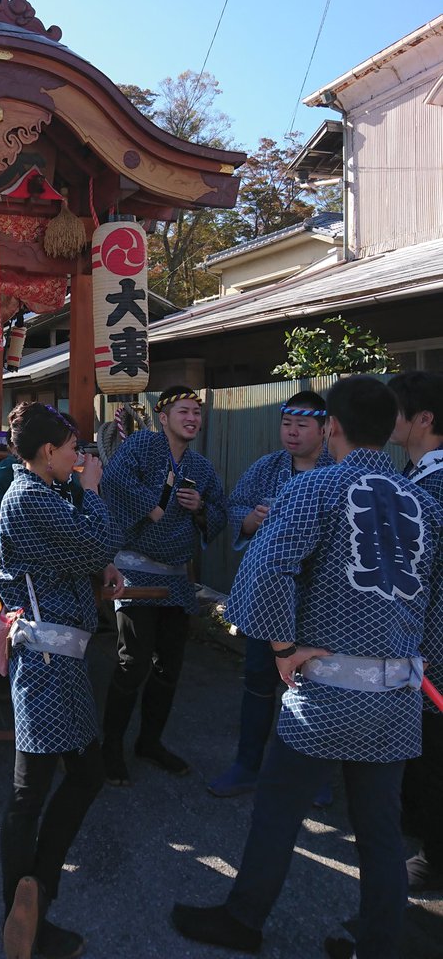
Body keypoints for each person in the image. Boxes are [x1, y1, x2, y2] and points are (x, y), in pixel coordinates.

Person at [172, 376, 443, 959]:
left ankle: (243, 919)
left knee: (277, 810)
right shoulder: (423, 500)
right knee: (380, 831)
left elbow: (267, 571)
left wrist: (279, 649)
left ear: (334, 427)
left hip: (326, 691)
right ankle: (379, 943)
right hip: (397, 693)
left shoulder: (317, 487)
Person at [0, 403, 123, 959]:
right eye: (73, 447)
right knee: (31, 792)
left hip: (56, 659)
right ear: (48, 452)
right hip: (46, 662)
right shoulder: (29, 498)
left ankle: (35, 891)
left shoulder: (41, 493)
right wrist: (93, 492)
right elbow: (97, 544)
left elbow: (80, 553)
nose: (81, 456)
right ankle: (25, 911)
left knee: (79, 775)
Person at [209, 391, 335, 799]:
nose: (292, 432)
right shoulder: (267, 467)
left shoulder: (339, 471)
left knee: (317, 690)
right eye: (287, 424)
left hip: (319, 600)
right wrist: (250, 520)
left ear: (325, 428)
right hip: (269, 598)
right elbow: (236, 507)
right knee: (259, 682)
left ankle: (316, 779)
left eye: (302, 425)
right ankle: (247, 765)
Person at [100, 385, 227, 782]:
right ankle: (110, 746)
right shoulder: (140, 445)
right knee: (132, 661)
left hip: (175, 577)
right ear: (164, 416)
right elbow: (114, 480)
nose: (192, 418)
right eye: (184, 411)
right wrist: (153, 507)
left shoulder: (202, 468)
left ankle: (150, 741)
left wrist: (201, 508)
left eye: (197, 413)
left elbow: (221, 512)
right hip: (135, 572)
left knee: (168, 666)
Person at [389, 370, 443, 893]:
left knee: (433, 756)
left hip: (435, 647)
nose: (391, 420)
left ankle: (434, 855)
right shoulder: (416, 474)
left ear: (424, 419)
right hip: (426, 643)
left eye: (398, 411)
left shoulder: (434, 484)